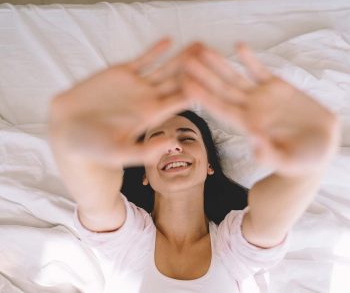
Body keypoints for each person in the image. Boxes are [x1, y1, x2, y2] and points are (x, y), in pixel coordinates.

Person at [48, 39, 340, 292]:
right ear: (145, 175)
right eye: (157, 139)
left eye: (186, 138)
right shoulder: (130, 241)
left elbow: (267, 220)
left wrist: (307, 166)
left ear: (209, 165)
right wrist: (75, 142)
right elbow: (96, 198)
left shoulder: (229, 248)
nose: (173, 146)